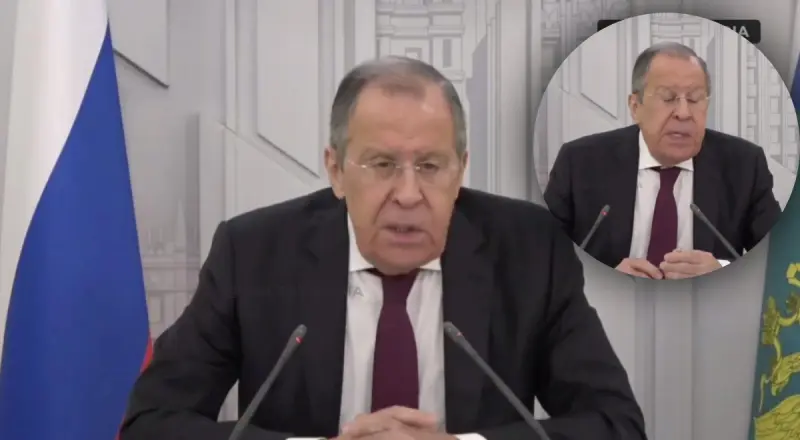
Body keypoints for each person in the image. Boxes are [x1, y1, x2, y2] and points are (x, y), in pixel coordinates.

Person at [120, 56, 645, 440]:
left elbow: (615, 424)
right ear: (335, 169)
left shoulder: (529, 249)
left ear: (461, 169)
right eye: (382, 164)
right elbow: (152, 424)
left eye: (431, 166)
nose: (409, 194)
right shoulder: (253, 253)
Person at [543, 42, 781, 280]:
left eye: (695, 99)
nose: (683, 113)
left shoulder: (744, 166)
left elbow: (780, 257)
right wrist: (603, 279)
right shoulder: (580, 163)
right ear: (635, 107)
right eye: (668, 98)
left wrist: (723, 270)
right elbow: (543, 256)